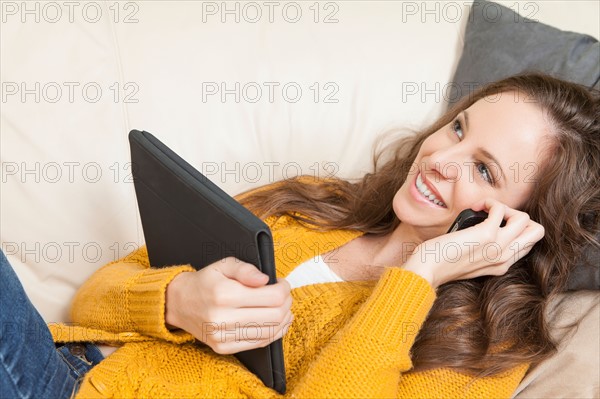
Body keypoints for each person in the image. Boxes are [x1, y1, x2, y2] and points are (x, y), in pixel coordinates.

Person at [1, 73, 598, 398]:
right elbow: (93, 297)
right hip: (55, 363)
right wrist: (175, 300)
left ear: (520, 224)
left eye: (484, 170)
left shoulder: (483, 353)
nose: (440, 156)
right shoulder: (314, 203)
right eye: (458, 129)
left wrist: (417, 278)